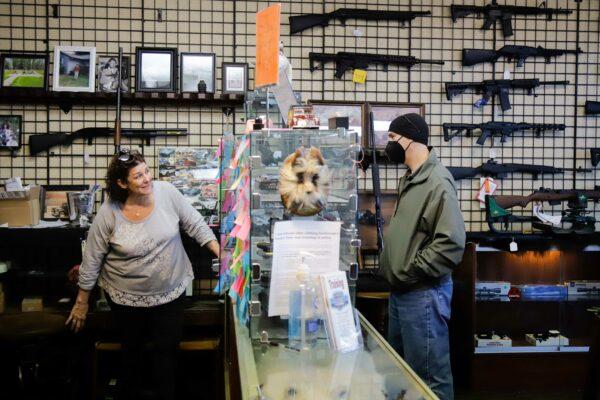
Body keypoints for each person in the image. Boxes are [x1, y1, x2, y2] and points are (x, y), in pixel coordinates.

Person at [66, 149, 219, 400]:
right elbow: (92, 258)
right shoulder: (109, 212)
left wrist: (219, 252)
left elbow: (195, 223)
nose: (147, 178)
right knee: (132, 358)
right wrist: (81, 302)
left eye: (147, 171)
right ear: (122, 183)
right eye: (138, 176)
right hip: (126, 298)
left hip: (170, 292)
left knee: (166, 358)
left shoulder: (166, 193)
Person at [380, 113, 466, 400]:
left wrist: (412, 269)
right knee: (402, 372)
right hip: (402, 291)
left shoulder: (438, 181)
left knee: (429, 378)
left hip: (423, 293)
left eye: (392, 138)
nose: (388, 144)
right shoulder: (412, 178)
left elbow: (451, 243)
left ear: (411, 139)